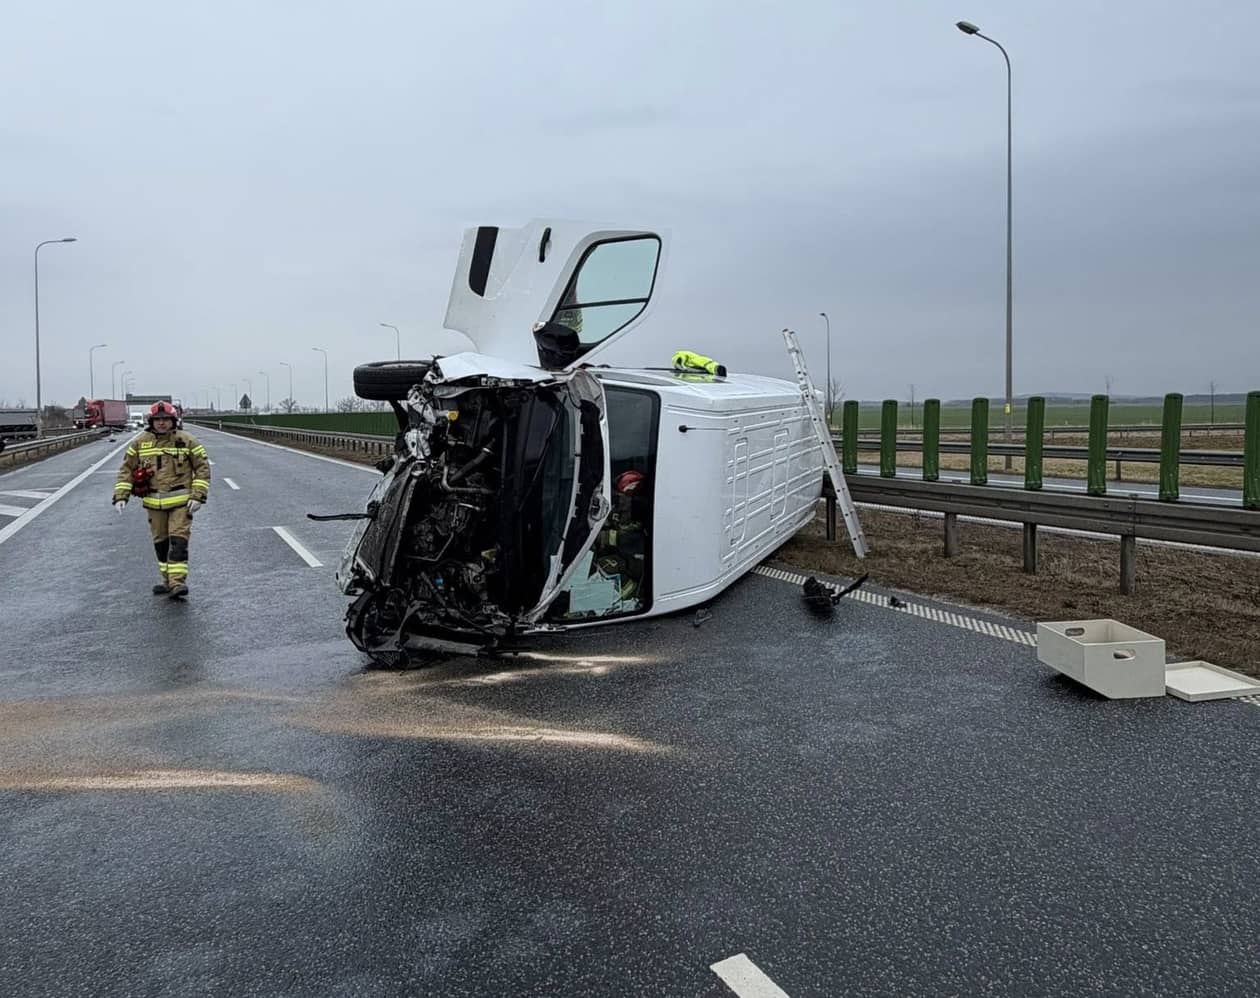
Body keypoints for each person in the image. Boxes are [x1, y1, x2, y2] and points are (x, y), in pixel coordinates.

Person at [112, 400, 210, 598]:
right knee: (161, 543)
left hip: (181, 502)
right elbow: (126, 470)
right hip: (153, 503)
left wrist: (198, 495)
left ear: (173, 420)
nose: (162, 423)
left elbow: (202, 468)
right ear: (152, 422)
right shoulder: (140, 443)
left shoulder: (187, 440)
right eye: (158, 420)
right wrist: (121, 495)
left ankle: (177, 583)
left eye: (166, 419)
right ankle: (167, 581)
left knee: (178, 541)